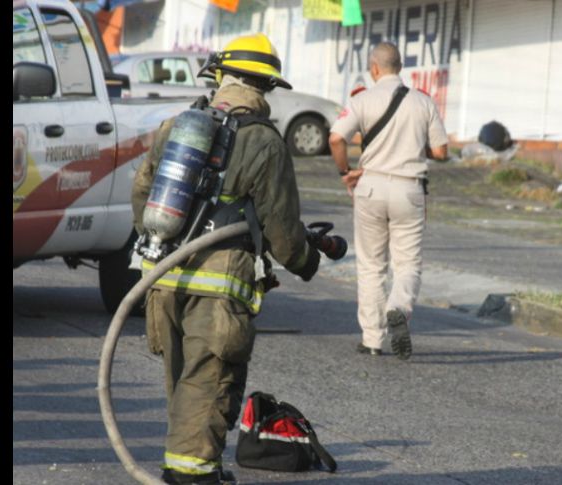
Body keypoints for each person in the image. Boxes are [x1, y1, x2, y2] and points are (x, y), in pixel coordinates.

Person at [131, 33, 321, 485]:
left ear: (217, 77)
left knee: (183, 383)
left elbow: (142, 197)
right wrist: (309, 259)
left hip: (164, 278)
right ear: (265, 87)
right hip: (219, 292)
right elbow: (283, 233)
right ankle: (192, 476)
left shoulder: (176, 127)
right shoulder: (264, 142)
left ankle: (193, 467)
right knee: (210, 382)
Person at [328, 42, 448, 361]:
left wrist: (345, 171)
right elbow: (441, 152)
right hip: (410, 188)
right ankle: (398, 308)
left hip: (369, 186)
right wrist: (411, 149)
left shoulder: (362, 100)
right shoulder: (424, 102)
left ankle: (371, 339)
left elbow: (336, 138)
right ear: (399, 67)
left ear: (375, 68)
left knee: (370, 265)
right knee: (407, 263)